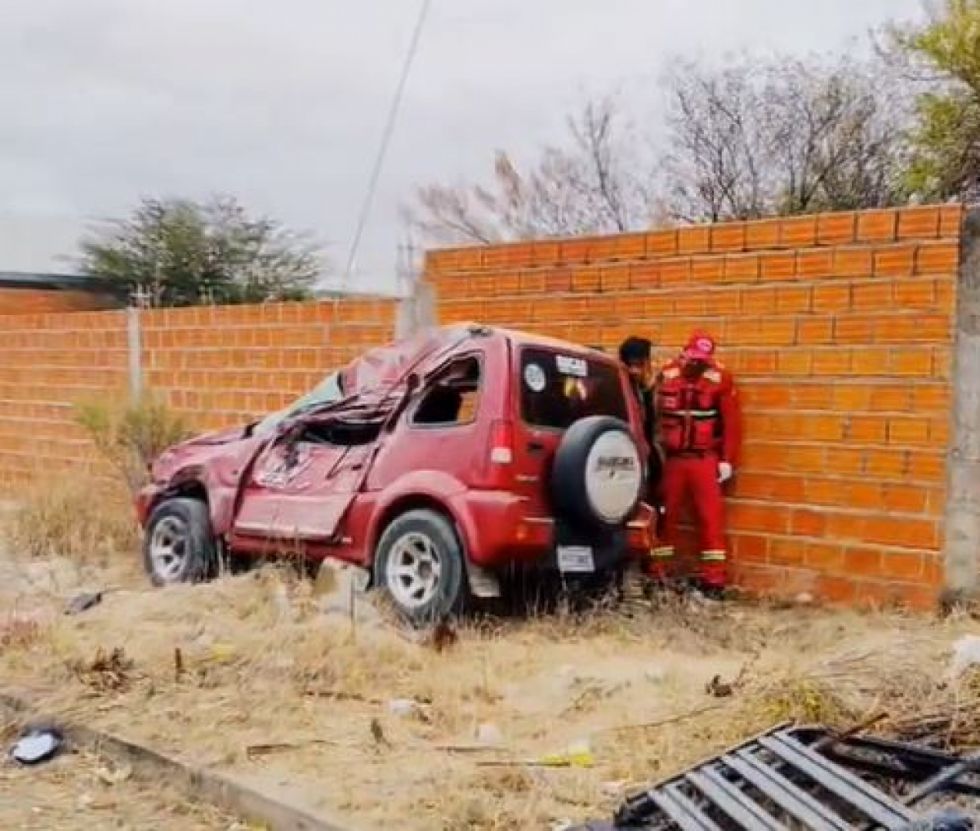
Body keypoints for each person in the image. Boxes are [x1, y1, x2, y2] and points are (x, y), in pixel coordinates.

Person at [652, 330, 741, 596]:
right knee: (663, 517)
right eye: (693, 358)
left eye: (702, 360)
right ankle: (657, 574)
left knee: (710, 518)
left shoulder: (721, 379)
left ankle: (713, 581)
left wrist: (727, 460)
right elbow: (651, 416)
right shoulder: (666, 374)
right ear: (684, 352)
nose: (697, 364)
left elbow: (732, 424)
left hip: (704, 459)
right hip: (672, 460)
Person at [617, 336, 666, 570]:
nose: (636, 370)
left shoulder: (654, 388)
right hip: (627, 460)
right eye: (632, 365)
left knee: (655, 515)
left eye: (640, 364)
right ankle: (631, 572)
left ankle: (653, 570)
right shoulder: (617, 386)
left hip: (652, 461)